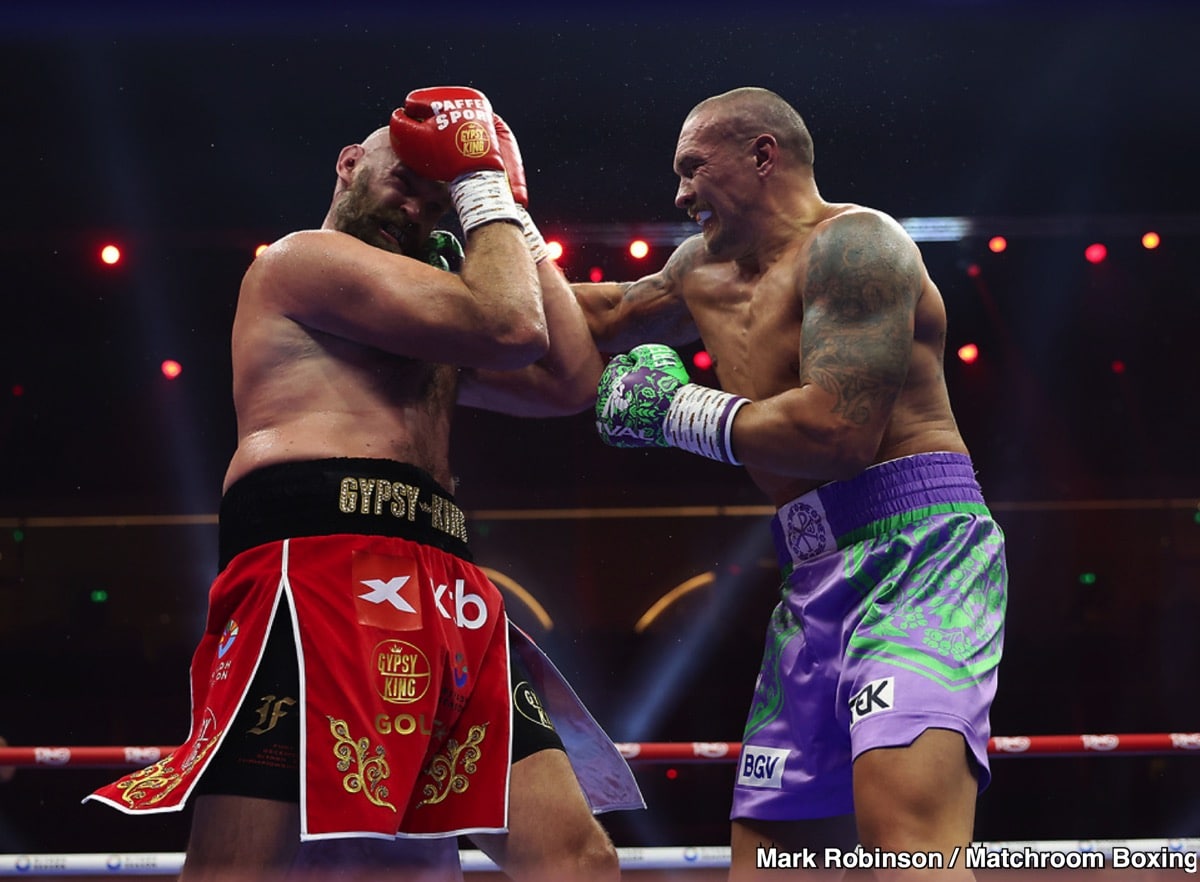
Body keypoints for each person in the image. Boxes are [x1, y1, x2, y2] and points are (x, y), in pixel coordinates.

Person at [84, 85, 640, 882]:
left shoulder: (431, 320)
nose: (417, 208)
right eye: (405, 180)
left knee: (578, 860)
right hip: (313, 571)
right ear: (348, 163)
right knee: (237, 868)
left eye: (438, 198)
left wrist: (507, 203)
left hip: (446, 586)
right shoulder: (298, 261)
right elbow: (511, 324)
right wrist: (477, 181)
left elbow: (570, 380)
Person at [579, 87, 1007, 880]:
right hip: (811, 574)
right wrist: (481, 251)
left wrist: (676, 411)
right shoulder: (699, 270)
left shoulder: (856, 246)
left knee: (907, 838)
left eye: (692, 168)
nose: (679, 194)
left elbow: (838, 433)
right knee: (776, 857)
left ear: (762, 155)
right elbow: (599, 318)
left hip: (921, 555)